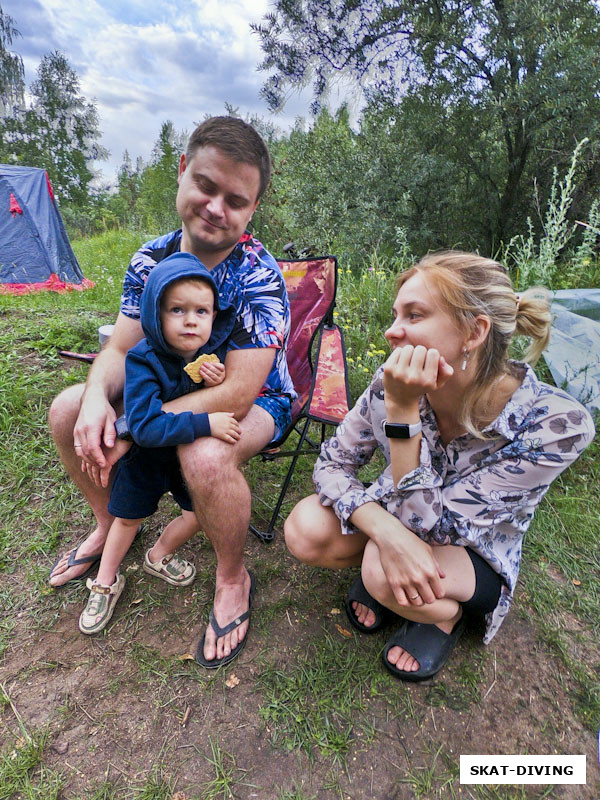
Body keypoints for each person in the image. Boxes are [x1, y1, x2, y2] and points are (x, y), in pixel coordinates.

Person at [49, 116, 296, 667]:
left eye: (236, 199)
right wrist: (95, 400)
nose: (216, 207)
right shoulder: (148, 260)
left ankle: (232, 577)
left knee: (205, 454)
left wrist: (137, 427)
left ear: (253, 208)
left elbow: (236, 393)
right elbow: (119, 350)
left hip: (259, 399)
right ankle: (112, 524)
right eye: (207, 186)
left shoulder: (258, 275)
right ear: (183, 172)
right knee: (68, 408)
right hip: (162, 387)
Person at [284, 251, 595, 682]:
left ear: (474, 331)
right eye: (396, 315)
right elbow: (331, 465)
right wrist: (387, 531)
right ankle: (393, 577)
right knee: (304, 528)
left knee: (378, 570)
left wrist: (403, 416)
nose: (393, 331)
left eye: (415, 314)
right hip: (399, 518)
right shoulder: (391, 382)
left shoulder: (555, 424)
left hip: (473, 550)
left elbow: (436, 527)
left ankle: (442, 617)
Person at [78, 252, 241, 635]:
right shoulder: (142, 360)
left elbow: (198, 388)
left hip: (184, 459)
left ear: (212, 317)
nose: (190, 320)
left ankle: (159, 554)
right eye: (177, 310)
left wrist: (213, 380)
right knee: (128, 519)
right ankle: (105, 581)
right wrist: (206, 422)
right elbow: (147, 427)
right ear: (154, 313)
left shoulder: (205, 354)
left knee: (200, 514)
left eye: (201, 311)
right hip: (148, 457)